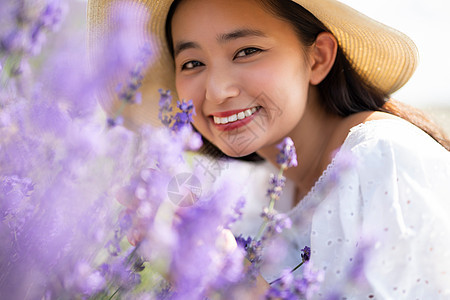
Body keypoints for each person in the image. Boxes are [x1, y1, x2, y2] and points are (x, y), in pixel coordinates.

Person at [88, 0, 450, 298]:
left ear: (318, 58)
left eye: (246, 51)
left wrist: (233, 278)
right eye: (192, 63)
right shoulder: (264, 198)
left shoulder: (385, 160)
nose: (216, 91)